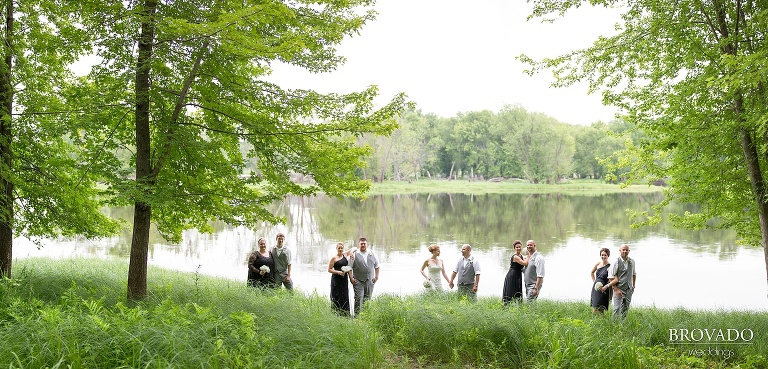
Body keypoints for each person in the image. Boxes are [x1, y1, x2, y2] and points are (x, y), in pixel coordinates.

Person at [349, 237, 379, 316]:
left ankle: (366, 316)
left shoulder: (372, 253)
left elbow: (377, 266)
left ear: (367, 244)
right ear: (358, 245)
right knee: (358, 298)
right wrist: (351, 278)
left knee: (368, 299)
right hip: (358, 281)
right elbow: (349, 267)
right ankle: (357, 317)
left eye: (364, 243)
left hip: (370, 280)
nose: (363, 245)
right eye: (361, 244)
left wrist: (376, 277)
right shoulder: (354, 254)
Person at [605, 244, 636, 320]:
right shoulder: (616, 262)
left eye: (626, 250)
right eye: (623, 250)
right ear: (620, 251)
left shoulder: (632, 261)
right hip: (619, 289)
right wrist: (616, 290)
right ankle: (613, 326)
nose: (625, 251)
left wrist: (633, 286)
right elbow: (610, 277)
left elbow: (634, 274)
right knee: (617, 309)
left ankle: (623, 325)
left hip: (629, 289)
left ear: (629, 251)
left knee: (625, 309)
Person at [327, 242, 357, 316]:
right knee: (337, 296)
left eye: (341, 248)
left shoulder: (345, 254)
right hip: (336, 280)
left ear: (343, 248)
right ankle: (336, 314)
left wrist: (351, 253)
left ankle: (345, 314)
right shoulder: (333, 258)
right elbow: (329, 269)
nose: (340, 249)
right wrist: (338, 272)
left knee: (344, 295)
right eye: (339, 248)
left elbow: (355, 248)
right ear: (336, 248)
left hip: (344, 280)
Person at [502, 240, 525, 304]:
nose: (518, 248)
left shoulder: (521, 256)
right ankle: (507, 306)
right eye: (517, 247)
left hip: (518, 274)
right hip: (512, 275)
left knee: (518, 290)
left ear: (521, 247)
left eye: (519, 247)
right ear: (514, 248)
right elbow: (525, 263)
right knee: (510, 291)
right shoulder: (515, 257)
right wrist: (529, 255)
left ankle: (518, 305)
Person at [590, 248, 612, 314]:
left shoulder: (610, 267)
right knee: (595, 307)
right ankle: (596, 321)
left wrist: (606, 286)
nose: (603, 256)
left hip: (604, 289)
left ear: (608, 256)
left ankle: (603, 322)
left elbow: (611, 279)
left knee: (601, 308)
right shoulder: (598, 264)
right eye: (602, 255)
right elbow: (592, 273)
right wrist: (594, 282)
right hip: (596, 288)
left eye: (605, 255)